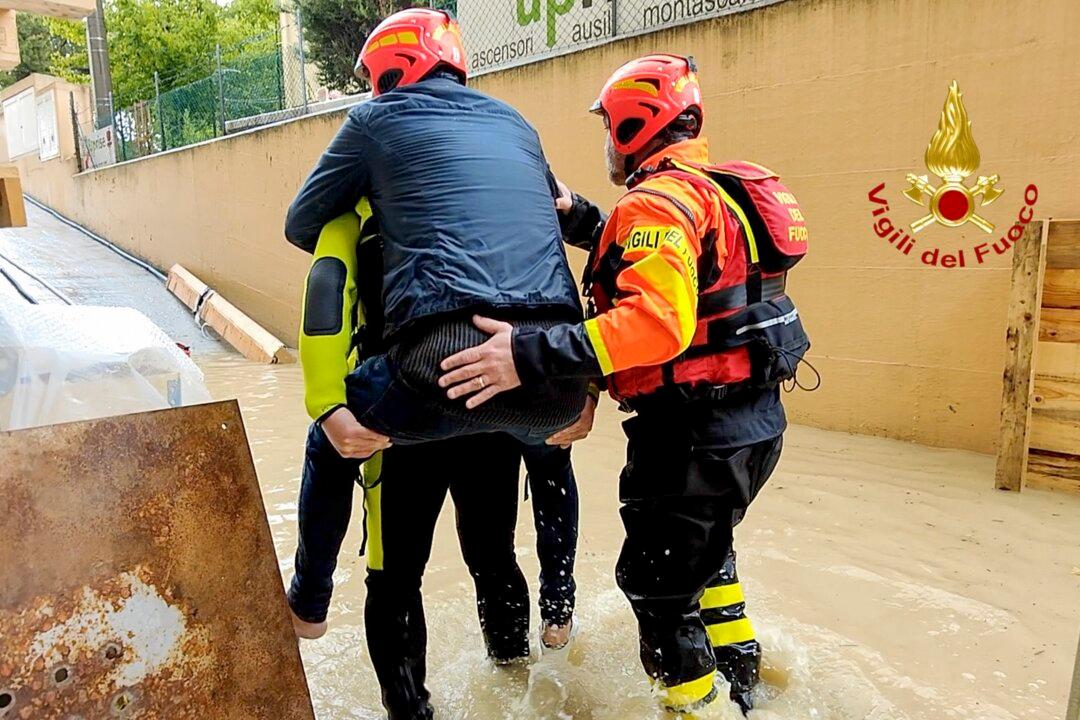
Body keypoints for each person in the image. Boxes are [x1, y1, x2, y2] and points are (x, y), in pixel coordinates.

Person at [438, 54, 811, 716]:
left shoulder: (654, 205)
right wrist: (578, 215)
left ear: (633, 127)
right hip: (753, 427)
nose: (606, 142)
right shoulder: (713, 189)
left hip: (691, 439)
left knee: (659, 595)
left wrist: (526, 355)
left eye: (608, 127)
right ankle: (749, 692)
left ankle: (695, 708)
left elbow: (657, 323)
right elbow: (678, 261)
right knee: (709, 565)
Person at [290, 199, 593, 719]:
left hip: (403, 415)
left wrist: (327, 405)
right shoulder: (499, 200)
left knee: (394, 576)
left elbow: (326, 291)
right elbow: (557, 290)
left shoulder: (354, 210)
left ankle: (319, 613)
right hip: (495, 398)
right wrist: (583, 387)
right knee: (494, 555)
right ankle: (526, 663)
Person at [284, 7, 587, 455]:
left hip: (438, 368)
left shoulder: (375, 119)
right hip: (559, 376)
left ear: (388, 69)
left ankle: (324, 491)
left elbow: (302, 222)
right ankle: (556, 502)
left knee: (326, 438)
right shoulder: (517, 123)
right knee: (548, 452)